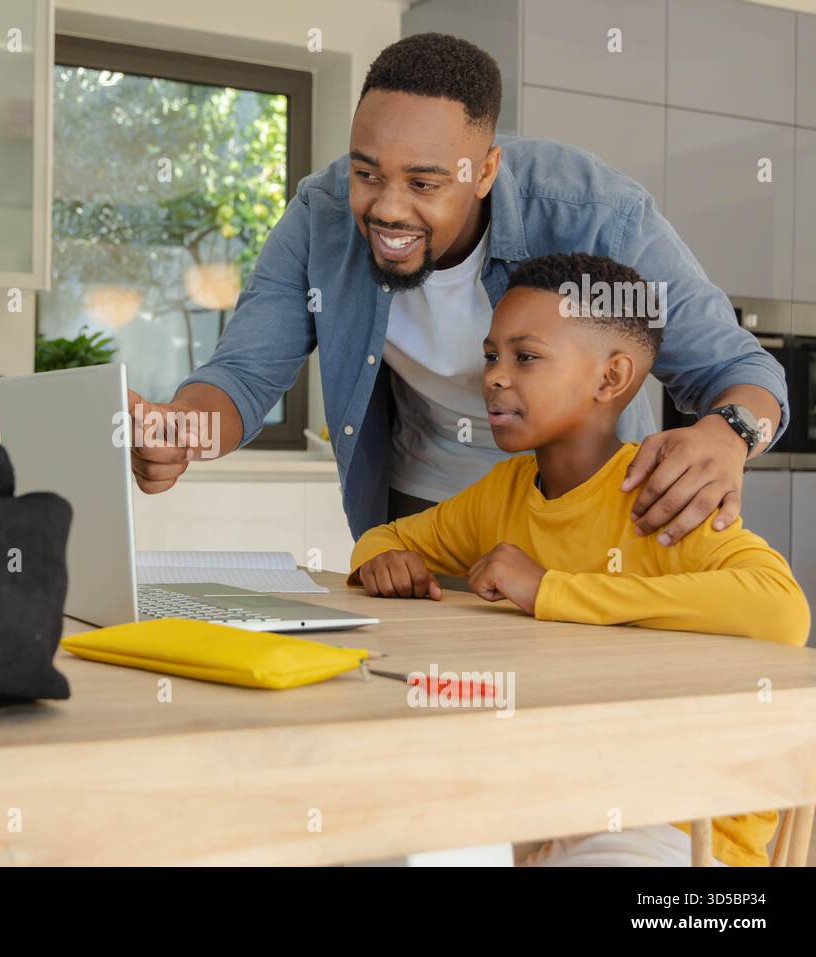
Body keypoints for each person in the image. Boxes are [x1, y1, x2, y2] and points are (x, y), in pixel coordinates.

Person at [129, 33, 786, 547]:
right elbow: (243, 376)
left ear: (486, 171)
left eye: (423, 183)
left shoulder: (594, 215)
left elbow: (740, 372)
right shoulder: (321, 216)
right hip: (425, 517)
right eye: (366, 172)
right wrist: (184, 429)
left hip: (583, 514)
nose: (386, 209)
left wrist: (728, 433)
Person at [348, 251, 810, 867]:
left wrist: (551, 591)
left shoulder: (660, 491)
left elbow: (781, 611)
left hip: (677, 832)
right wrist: (383, 560)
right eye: (491, 355)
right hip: (557, 808)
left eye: (526, 357)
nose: (495, 376)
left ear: (611, 379)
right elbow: (386, 539)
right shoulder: (503, 492)